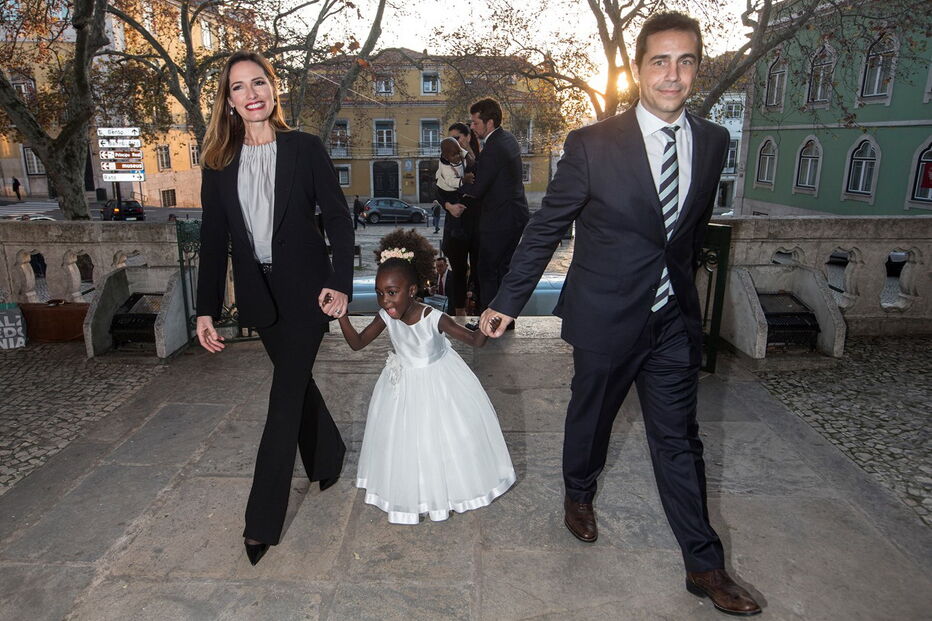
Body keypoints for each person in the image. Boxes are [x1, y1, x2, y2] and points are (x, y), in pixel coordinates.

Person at [479, 12, 761, 617]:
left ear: (697, 68)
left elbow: (681, 236)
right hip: (606, 317)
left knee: (679, 442)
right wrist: (506, 301)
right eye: (659, 60)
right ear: (637, 70)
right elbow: (546, 229)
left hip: (671, 322)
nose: (672, 73)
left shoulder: (713, 141)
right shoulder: (592, 144)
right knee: (592, 419)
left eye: (685, 61)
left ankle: (704, 565)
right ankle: (578, 494)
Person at [195, 50, 353, 567]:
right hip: (259, 296)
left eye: (258, 82)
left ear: (272, 89)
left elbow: (337, 217)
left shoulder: (304, 148)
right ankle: (328, 456)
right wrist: (205, 309)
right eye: (238, 87)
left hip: (307, 292)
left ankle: (260, 522)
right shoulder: (218, 162)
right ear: (228, 101)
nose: (251, 94)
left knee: (283, 399)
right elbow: (215, 240)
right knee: (297, 381)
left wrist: (340, 281)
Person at [336, 246, 515, 524]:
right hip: (401, 386)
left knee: (442, 438)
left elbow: (475, 341)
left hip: (439, 382)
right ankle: (412, 491)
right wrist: (341, 315)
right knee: (405, 440)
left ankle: (449, 489)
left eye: (392, 292)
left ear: (412, 290)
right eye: (379, 292)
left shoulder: (433, 318)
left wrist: (488, 325)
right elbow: (357, 343)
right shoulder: (385, 316)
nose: (385, 301)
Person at [460, 98, 529, 314]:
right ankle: (503, 320)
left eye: (475, 123)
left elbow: (478, 188)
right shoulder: (506, 138)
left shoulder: (494, 146)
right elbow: (486, 170)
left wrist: (458, 187)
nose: (472, 127)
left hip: (499, 219)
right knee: (502, 271)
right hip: (514, 216)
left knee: (487, 270)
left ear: (489, 122)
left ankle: (487, 323)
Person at [441, 123, 481, 316]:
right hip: (455, 227)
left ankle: (480, 315)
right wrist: (449, 206)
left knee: (478, 271)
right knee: (457, 272)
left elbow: (481, 190)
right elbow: (439, 191)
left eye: (456, 138)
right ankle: (459, 318)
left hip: (476, 225)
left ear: (467, 137)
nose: (453, 143)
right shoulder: (446, 161)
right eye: (450, 139)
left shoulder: (479, 160)